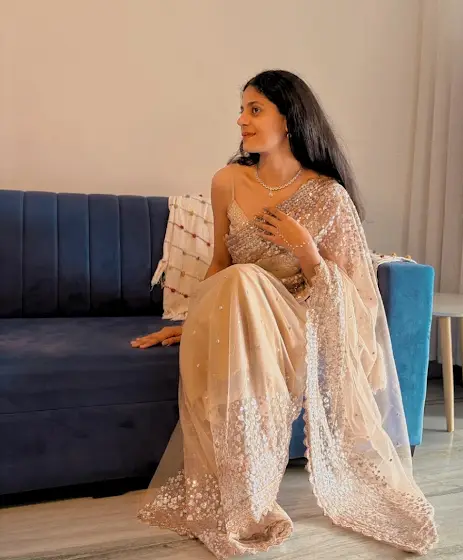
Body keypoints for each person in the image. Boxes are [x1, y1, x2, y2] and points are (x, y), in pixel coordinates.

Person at [132, 70, 437, 559]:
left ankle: (249, 496)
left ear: (289, 119)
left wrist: (305, 249)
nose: (241, 120)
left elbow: (356, 294)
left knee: (244, 282)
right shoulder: (227, 181)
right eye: (242, 109)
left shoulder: (328, 195)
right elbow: (220, 264)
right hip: (236, 314)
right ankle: (242, 497)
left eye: (255, 109)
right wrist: (196, 322)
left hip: (296, 321)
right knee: (239, 279)